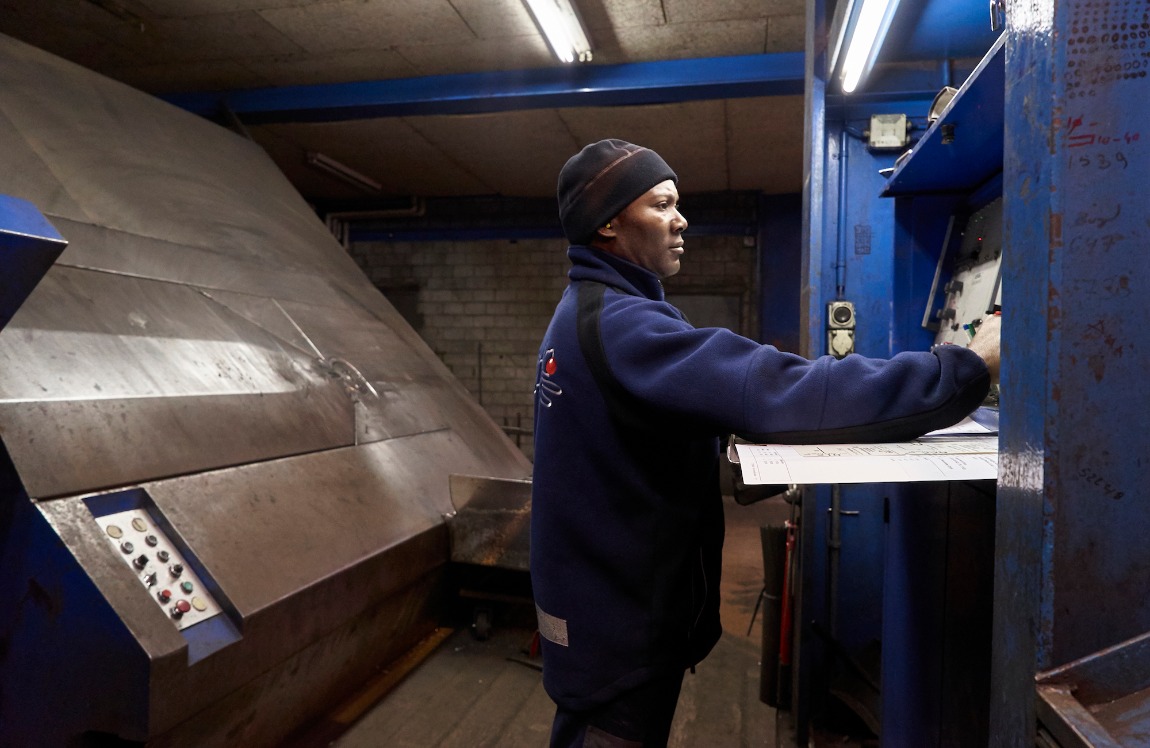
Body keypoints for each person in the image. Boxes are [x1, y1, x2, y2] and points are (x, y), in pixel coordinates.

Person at [530, 138, 1000, 747]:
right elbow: (782, 389)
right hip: (619, 631)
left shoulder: (587, 309)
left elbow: (628, 441)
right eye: (662, 204)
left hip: (602, 615)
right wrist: (965, 367)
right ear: (609, 223)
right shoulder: (623, 324)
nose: (681, 220)